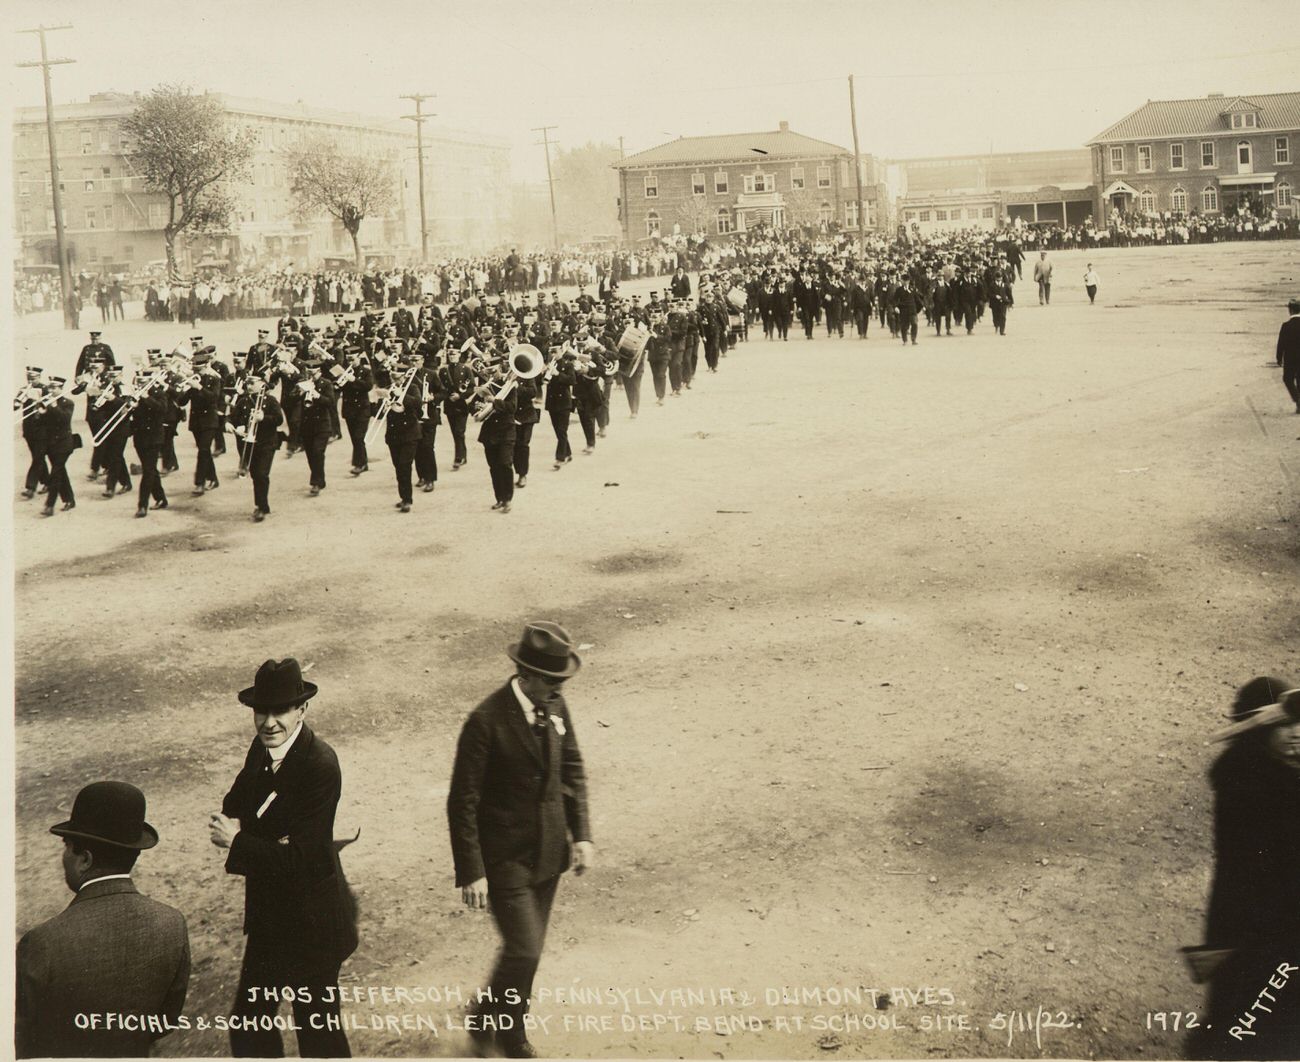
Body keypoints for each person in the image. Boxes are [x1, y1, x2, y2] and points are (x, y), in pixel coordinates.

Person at [447, 622, 595, 1059]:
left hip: (550, 851)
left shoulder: (554, 703)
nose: (558, 690)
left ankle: (505, 1030)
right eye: (552, 681)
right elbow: (463, 802)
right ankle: (487, 1019)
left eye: (561, 683)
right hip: (504, 859)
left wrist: (582, 835)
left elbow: (573, 770)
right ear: (525, 675)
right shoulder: (485, 722)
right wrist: (472, 872)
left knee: (528, 952)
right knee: (525, 949)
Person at [209, 658, 358, 1059]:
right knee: (249, 1025)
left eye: (281, 711)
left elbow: (305, 860)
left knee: (318, 1035)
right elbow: (237, 799)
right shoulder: (262, 748)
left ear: (302, 710)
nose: (269, 721)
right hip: (274, 919)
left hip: (314, 926)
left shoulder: (319, 765)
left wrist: (240, 841)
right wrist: (269, 838)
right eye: (262, 711)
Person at [16, 781, 190, 1058]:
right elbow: (166, 1020)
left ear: (84, 859)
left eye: (67, 846)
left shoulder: (42, 942)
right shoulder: (172, 923)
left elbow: (23, 1042)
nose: (62, 857)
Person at [1188, 677, 1300, 1060]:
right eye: (1282, 726)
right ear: (1258, 733)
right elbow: (1246, 870)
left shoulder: (1270, 773)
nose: (1296, 735)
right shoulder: (1247, 787)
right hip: (1263, 923)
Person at [1276, 297, 1300, 414]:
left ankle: (1297, 400)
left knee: (1288, 379)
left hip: (1290, 359)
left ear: (1290, 310)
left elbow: (1281, 343)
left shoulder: (1286, 326)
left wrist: (1279, 358)